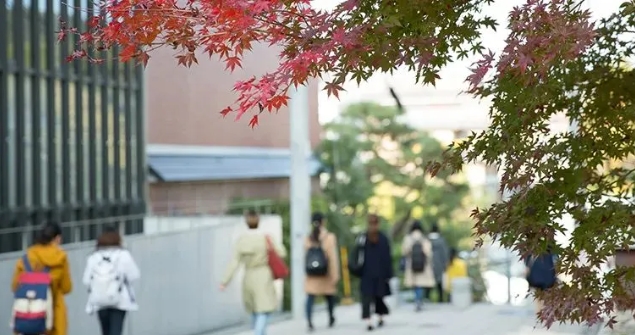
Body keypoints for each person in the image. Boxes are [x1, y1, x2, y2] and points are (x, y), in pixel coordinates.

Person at [220, 210, 287, 335]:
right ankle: (258, 332)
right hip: (263, 275)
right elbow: (282, 252)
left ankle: (259, 331)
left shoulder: (241, 241)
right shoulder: (266, 238)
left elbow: (234, 263)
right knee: (264, 309)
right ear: (259, 221)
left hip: (249, 276)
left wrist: (224, 281)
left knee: (254, 310)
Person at [11, 222, 73, 335]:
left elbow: (15, 286)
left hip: (28, 317)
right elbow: (66, 288)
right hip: (53, 318)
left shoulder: (25, 258)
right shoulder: (60, 258)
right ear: (57, 238)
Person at [83, 226, 140, 335]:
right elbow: (134, 275)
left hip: (99, 300)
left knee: (105, 331)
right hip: (120, 300)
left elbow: (86, 280)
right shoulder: (123, 255)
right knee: (116, 331)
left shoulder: (93, 257)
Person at [304, 212, 340, 331]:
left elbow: (305, 256)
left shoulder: (308, 238)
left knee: (310, 297)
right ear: (323, 221)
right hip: (325, 273)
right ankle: (331, 318)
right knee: (329, 296)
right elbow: (332, 257)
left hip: (311, 274)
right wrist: (335, 274)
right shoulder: (329, 237)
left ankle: (309, 321)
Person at [359, 214, 393, 331]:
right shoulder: (383, 238)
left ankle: (369, 321)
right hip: (380, 273)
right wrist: (388, 274)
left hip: (366, 273)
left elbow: (357, 254)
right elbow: (387, 258)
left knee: (367, 298)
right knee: (379, 296)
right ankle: (380, 318)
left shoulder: (363, 238)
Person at [401, 220, 434, 311]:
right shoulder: (424, 238)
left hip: (412, 265)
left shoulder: (408, 238)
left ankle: (417, 300)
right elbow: (428, 252)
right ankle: (419, 300)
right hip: (423, 265)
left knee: (415, 284)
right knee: (421, 283)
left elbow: (404, 252)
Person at [524, 246, 558, 314]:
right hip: (547, 271)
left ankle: (539, 310)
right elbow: (555, 259)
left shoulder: (534, 245)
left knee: (539, 293)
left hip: (537, 271)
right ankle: (543, 310)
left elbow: (527, 260)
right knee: (545, 292)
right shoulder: (551, 246)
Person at [427, 222, 449, 302]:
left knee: (428, 282)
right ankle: (441, 299)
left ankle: (427, 298)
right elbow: (444, 253)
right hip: (439, 263)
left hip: (428, 264)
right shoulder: (441, 240)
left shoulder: (427, 240)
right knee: (439, 282)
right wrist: (445, 264)